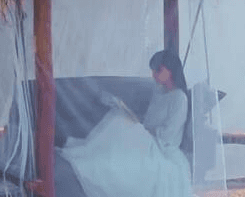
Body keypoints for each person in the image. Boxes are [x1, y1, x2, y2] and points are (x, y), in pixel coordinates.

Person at [57, 49, 192, 197]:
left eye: (158, 70)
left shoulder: (180, 98)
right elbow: (148, 121)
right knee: (118, 118)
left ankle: (92, 160)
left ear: (171, 70)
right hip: (149, 138)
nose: (154, 75)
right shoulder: (158, 92)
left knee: (123, 127)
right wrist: (132, 117)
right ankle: (89, 154)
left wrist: (143, 130)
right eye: (153, 70)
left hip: (163, 147)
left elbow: (168, 136)